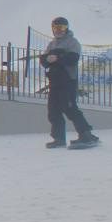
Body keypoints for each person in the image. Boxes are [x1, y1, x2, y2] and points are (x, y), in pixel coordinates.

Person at [41, 16, 98, 148]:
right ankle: (59, 138)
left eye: (61, 28)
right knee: (53, 111)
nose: (58, 31)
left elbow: (73, 58)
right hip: (55, 81)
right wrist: (47, 59)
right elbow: (43, 60)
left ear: (66, 29)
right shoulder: (52, 44)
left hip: (67, 81)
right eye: (56, 28)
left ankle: (86, 135)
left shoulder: (72, 42)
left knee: (70, 108)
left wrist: (57, 58)